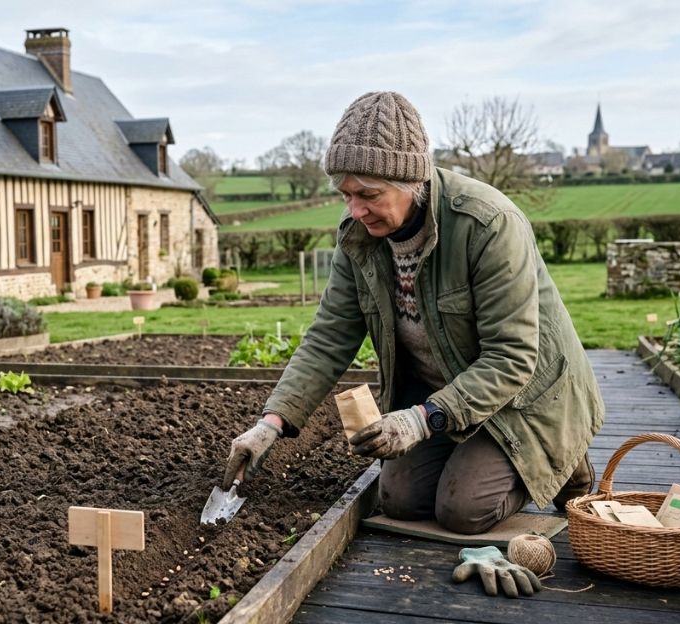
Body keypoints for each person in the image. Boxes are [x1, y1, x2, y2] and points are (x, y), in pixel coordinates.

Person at [220, 91, 604, 535]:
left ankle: (563, 458)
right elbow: (328, 337)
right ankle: (471, 449)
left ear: (411, 182)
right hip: (442, 393)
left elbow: (512, 357)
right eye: (346, 194)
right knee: (400, 500)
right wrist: (271, 423)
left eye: (368, 194)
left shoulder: (488, 224)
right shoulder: (359, 236)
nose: (355, 210)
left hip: (523, 398)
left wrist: (419, 420)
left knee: (463, 510)